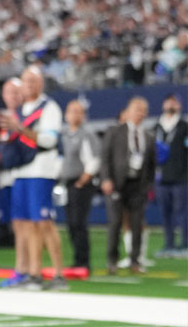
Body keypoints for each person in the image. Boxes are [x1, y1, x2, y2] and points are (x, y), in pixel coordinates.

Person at [0, 67, 65, 290]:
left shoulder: (49, 108)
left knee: (44, 223)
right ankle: (33, 272)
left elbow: (49, 140)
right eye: (26, 81)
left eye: (33, 81)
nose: (29, 85)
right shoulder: (21, 109)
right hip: (21, 172)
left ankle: (58, 274)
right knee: (26, 224)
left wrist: (22, 129)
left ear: (41, 84)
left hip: (41, 171)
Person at [101, 97, 157, 274]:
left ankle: (135, 261)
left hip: (137, 186)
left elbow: (151, 165)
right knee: (115, 223)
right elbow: (105, 158)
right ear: (128, 111)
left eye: (143, 109)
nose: (140, 113)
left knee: (136, 224)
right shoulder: (115, 131)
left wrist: (148, 185)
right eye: (137, 109)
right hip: (117, 184)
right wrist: (106, 179)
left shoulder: (148, 136)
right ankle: (112, 261)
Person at [0, 78, 29, 287]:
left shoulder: (26, 116)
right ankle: (22, 268)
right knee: (18, 224)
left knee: (32, 225)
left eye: (16, 92)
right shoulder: (3, 117)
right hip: (8, 176)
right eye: (9, 93)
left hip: (26, 173)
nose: (13, 97)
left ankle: (28, 269)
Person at [59, 100, 101, 270]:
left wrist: (82, 180)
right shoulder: (63, 134)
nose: (75, 115)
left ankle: (84, 262)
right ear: (66, 114)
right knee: (70, 223)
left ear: (83, 115)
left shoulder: (87, 134)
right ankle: (77, 260)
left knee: (79, 222)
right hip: (65, 183)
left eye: (78, 111)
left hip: (80, 184)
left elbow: (94, 159)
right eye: (71, 111)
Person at [154, 93, 187, 258]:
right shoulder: (157, 127)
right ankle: (169, 244)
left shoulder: (184, 127)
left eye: (174, 102)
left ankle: (184, 245)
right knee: (165, 213)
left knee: (182, 212)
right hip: (162, 178)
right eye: (168, 102)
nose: (170, 105)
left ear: (179, 105)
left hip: (181, 177)